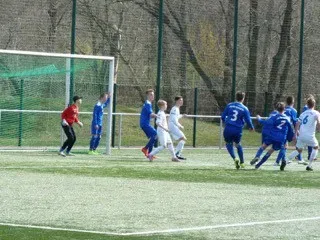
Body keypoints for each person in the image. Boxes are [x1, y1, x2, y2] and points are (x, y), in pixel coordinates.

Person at [254, 102, 294, 170]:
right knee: (272, 150)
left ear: (277, 109)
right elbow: (290, 129)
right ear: (284, 109)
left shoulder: (274, 117)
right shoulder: (287, 118)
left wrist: (259, 119)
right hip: (281, 138)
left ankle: (257, 157)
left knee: (263, 146)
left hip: (272, 136)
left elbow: (265, 123)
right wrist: (290, 138)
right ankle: (283, 160)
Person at [221, 91, 254, 169]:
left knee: (228, 143)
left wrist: (227, 122)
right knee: (238, 144)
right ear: (243, 98)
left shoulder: (229, 105)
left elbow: (223, 116)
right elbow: (248, 120)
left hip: (228, 128)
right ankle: (242, 162)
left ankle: (235, 158)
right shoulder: (244, 108)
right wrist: (251, 127)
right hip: (238, 129)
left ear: (236, 97)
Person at [285, 98, 320, 171]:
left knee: (298, 150)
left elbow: (297, 123)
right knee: (316, 147)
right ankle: (309, 165)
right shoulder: (316, 113)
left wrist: (295, 134)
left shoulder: (303, 113)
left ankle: (285, 160)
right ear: (314, 104)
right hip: (310, 136)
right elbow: (318, 122)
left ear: (307, 104)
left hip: (301, 135)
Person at [274, 96, 300, 165]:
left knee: (284, 145)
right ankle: (299, 158)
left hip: (282, 129)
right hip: (289, 130)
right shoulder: (293, 110)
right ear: (293, 102)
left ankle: (284, 160)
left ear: (286, 102)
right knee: (297, 143)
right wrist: (297, 131)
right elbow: (294, 122)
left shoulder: (284, 109)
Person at [140, 89, 158, 158]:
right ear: (147, 96)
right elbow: (151, 114)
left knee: (153, 137)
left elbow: (150, 115)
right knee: (155, 134)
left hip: (145, 123)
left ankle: (150, 154)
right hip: (145, 124)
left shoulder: (148, 103)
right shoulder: (147, 104)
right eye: (151, 95)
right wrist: (159, 116)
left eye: (153, 95)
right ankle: (145, 149)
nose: (152, 96)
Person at [168, 96, 187, 160]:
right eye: (180, 100)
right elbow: (174, 120)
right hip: (172, 126)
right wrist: (180, 126)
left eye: (182, 100)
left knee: (182, 139)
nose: (181, 101)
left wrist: (182, 115)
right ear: (176, 101)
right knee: (183, 139)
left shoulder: (177, 108)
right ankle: (176, 154)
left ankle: (177, 154)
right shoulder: (174, 109)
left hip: (173, 126)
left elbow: (176, 117)